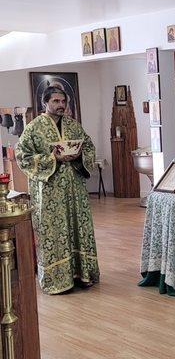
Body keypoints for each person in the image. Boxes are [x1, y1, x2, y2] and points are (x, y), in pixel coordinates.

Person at [15, 86, 100, 294]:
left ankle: (82, 274)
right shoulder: (33, 128)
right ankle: (56, 280)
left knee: (78, 228)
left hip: (75, 190)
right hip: (50, 192)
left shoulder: (73, 125)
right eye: (56, 101)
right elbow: (22, 157)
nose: (61, 105)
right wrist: (53, 158)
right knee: (52, 232)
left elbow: (89, 147)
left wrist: (78, 155)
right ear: (45, 103)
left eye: (63, 101)